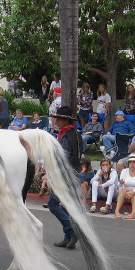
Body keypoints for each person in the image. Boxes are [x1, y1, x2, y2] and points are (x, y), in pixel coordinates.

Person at [48, 106, 82, 249]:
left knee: (53, 204)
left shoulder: (66, 136)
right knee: (67, 205)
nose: (56, 121)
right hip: (73, 173)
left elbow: (64, 158)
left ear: (65, 120)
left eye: (59, 118)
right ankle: (67, 237)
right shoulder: (75, 133)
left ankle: (71, 230)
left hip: (64, 175)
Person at [114, 153, 135, 219]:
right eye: (130, 162)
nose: (132, 164)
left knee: (133, 193)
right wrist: (121, 183)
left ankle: (133, 212)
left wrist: (133, 191)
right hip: (126, 194)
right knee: (124, 190)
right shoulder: (124, 171)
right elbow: (119, 184)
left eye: (134, 162)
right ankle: (117, 211)